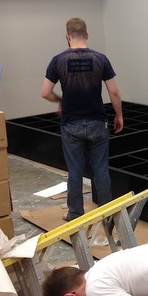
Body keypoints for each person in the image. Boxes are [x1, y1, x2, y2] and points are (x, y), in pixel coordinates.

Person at [41, 17, 124, 221]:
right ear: (87, 34)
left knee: (75, 171)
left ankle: (75, 215)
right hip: (97, 122)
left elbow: (45, 92)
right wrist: (119, 115)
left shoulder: (58, 60)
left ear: (67, 37)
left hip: (71, 125)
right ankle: (107, 215)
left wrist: (61, 100)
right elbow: (113, 92)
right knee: (101, 170)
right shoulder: (100, 59)